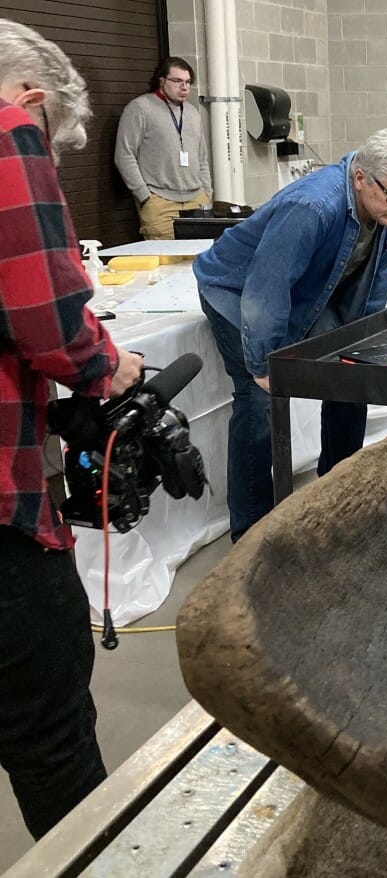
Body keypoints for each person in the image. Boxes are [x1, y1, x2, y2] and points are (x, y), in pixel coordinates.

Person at [0, 19, 145, 840]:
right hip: (3, 519)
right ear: (35, 101)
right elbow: (47, 315)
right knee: (51, 732)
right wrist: (106, 368)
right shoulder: (10, 124)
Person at [193, 128, 387, 542]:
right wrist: (263, 362)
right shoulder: (312, 206)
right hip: (236, 289)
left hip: (304, 291)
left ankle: (338, 498)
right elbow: (265, 292)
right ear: (361, 178)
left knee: (351, 379)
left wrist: (364, 343)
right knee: (258, 400)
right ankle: (252, 534)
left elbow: (378, 280)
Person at [114, 56, 212, 239]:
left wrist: (206, 192)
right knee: (166, 262)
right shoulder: (140, 108)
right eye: (177, 81)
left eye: (188, 82)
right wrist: (144, 196)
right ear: (161, 80)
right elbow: (124, 154)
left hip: (196, 200)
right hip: (160, 202)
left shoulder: (192, 112)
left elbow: (202, 157)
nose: (184, 87)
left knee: (198, 260)